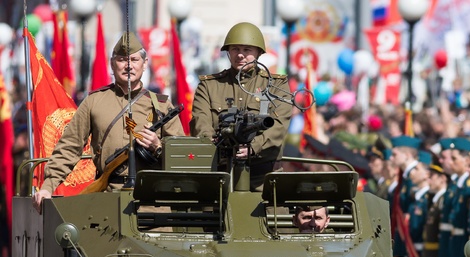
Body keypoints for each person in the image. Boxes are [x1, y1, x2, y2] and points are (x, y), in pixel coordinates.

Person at [33, 32, 184, 211]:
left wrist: (158, 146)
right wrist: (48, 186)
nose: (129, 66)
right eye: (122, 60)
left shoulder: (161, 105)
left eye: (134, 60)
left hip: (153, 201)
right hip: (107, 200)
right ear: (112, 64)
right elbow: (69, 147)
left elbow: (181, 154)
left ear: (145, 64)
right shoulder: (94, 101)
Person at [190, 22, 292, 190]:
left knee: (272, 215)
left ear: (259, 53)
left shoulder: (276, 85)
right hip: (220, 176)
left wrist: (253, 147)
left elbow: (279, 127)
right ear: (228, 52)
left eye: (247, 50)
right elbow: (200, 122)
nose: (240, 55)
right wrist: (217, 146)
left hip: (263, 179)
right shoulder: (209, 86)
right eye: (235, 49)